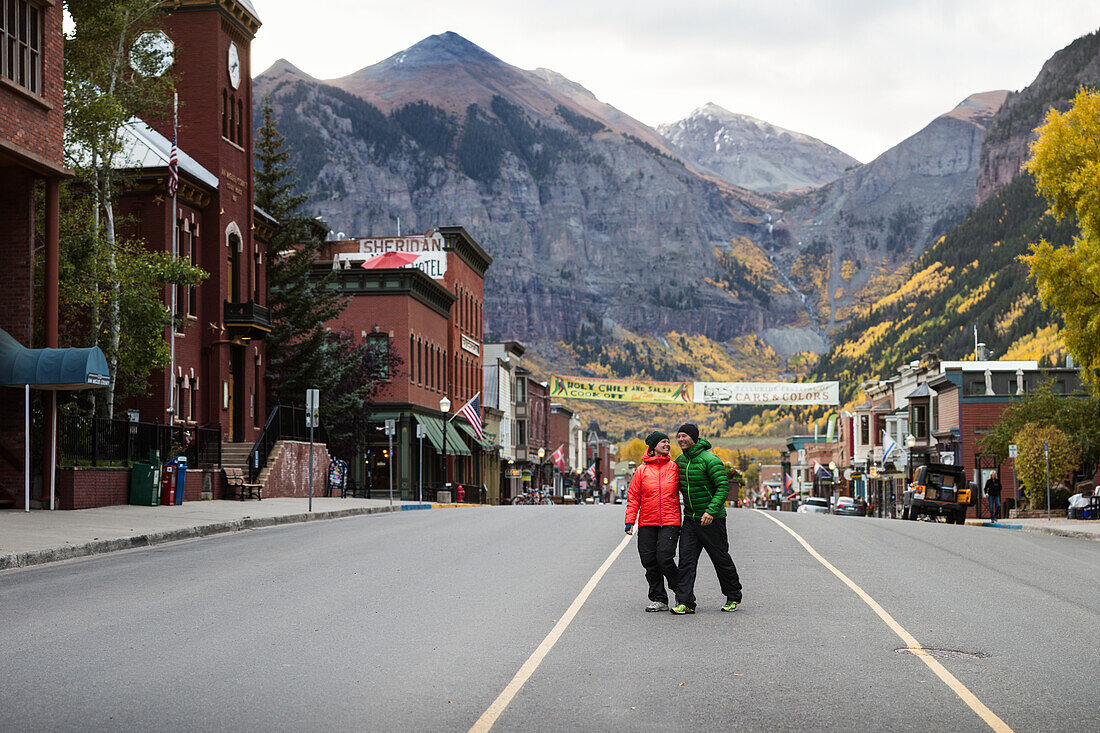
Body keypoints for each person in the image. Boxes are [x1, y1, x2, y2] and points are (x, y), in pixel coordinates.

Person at [670, 423, 743, 614]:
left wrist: (710, 511)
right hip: (691, 520)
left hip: (713, 520)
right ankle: (686, 602)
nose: (681, 440)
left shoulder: (711, 460)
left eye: (684, 436)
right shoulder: (680, 461)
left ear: (694, 438)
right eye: (678, 436)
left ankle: (733, 596)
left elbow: (722, 487)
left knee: (720, 559)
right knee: (686, 561)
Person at [624, 431, 681, 612]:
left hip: (670, 521)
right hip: (647, 522)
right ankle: (659, 598)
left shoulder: (674, 467)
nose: (667, 444)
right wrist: (630, 521)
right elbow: (634, 497)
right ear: (654, 446)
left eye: (668, 442)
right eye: (663, 442)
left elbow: (688, 490)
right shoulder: (641, 471)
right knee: (649, 560)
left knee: (664, 557)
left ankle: (681, 591)